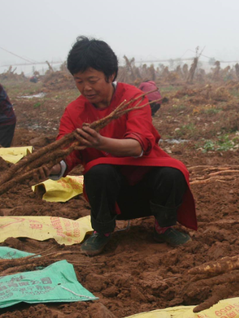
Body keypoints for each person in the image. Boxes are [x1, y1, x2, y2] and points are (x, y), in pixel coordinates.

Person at [44, 36, 197, 256]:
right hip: (111, 194)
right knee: (98, 170)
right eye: (79, 81)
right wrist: (53, 167)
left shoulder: (133, 98)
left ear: (111, 75)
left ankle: (163, 226)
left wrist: (99, 142)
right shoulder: (74, 112)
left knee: (173, 172)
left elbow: (138, 146)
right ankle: (104, 231)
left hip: (146, 186)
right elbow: (67, 153)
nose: (86, 88)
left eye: (92, 80)